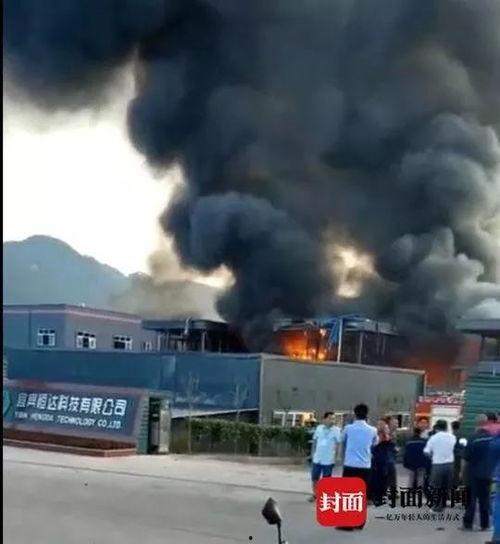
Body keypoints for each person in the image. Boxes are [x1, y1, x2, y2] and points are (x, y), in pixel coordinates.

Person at [338, 403, 378, 530]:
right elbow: (375, 443)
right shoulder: (372, 430)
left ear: (354, 414)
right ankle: (360, 522)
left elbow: (341, 440)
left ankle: (347, 523)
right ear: (367, 414)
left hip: (350, 464)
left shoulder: (348, 428)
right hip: (365, 466)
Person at [462, 414, 495, 532]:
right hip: (488, 473)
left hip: (473, 473)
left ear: (476, 423)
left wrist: (462, 472)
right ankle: (485, 525)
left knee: (470, 499)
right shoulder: (492, 438)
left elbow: (466, 457)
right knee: (485, 499)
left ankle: (468, 524)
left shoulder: (472, 438)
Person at [423, 419, 456, 512]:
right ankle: (442, 505)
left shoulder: (433, 438)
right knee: (445, 486)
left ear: (436, 427)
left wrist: (432, 457)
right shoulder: (452, 437)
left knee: (435, 486)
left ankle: (436, 506)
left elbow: (426, 451)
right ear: (446, 427)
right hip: (450, 465)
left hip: (437, 465)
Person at [308, 412, 341, 502]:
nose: (332, 420)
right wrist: (312, 454)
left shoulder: (336, 430)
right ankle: (315, 494)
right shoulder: (319, 428)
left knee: (326, 479)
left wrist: (337, 457)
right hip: (317, 458)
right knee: (315, 477)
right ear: (324, 419)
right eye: (330, 418)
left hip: (329, 459)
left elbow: (338, 444)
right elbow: (315, 441)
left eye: (333, 419)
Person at [371, 420, 397, 506]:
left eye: (384, 426)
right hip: (378, 460)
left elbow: (392, 447)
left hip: (386, 460)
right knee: (378, 479)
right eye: (379, 425)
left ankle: (384, 495)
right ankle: (377, 496)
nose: (382, 427)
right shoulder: (375, 436)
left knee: (385, 479)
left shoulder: (388, 437)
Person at [403, 427, 430, 493]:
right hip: (421, 462)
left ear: (414, 432)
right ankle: (419, 491)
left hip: (411, 462)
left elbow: (406, 453)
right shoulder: (424, 441)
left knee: (411, 477)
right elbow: (426, 452)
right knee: (420, 477)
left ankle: (409, 491)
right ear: (420, 433)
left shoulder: (408, 442)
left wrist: (405, 463)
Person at [383, 415, 399, 493]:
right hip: (387, 458)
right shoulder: (387, 433)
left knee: (389, 475)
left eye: (397, 423)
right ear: (390, 423)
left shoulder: (393, 433)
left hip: (391, 457)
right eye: (395, 423)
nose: (397, 425)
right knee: (390, 474)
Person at [451, 420, 466, 488]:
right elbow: (464, 445)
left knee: (454, 471)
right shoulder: (462, 435)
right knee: (460, 471)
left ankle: (454, 484)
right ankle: (458, 484)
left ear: (452, 427)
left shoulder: (451, 435)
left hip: (453, 455)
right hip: (461, 455)